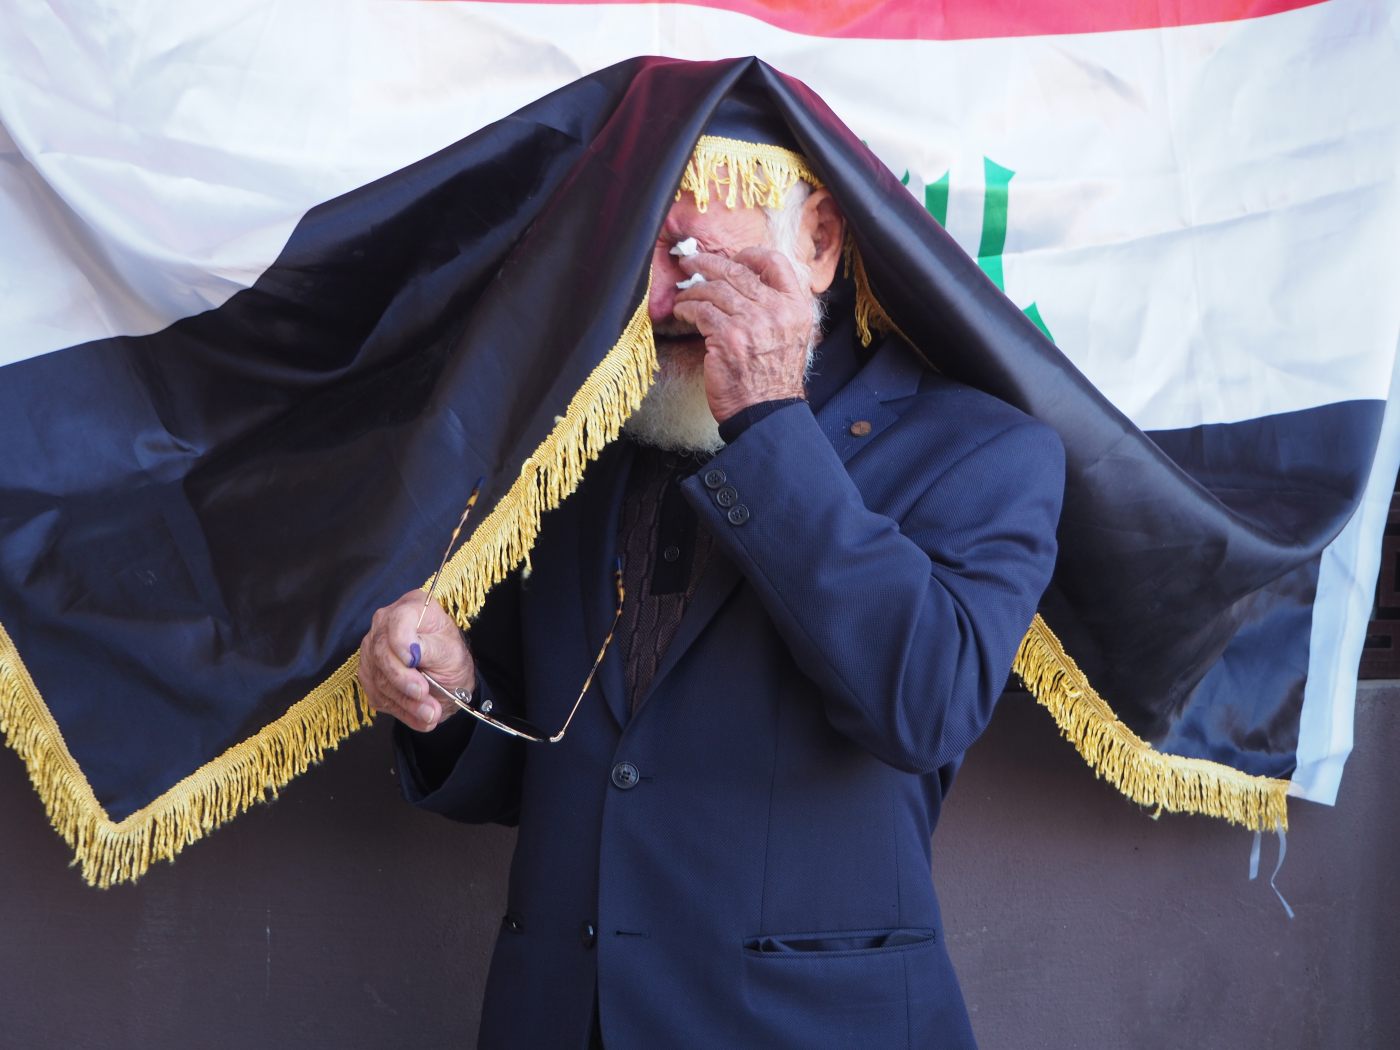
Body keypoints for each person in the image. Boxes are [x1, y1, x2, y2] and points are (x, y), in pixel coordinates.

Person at [358, 117, 1065, 1047]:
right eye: (644, 250)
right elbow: (558, 772)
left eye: (694, 251)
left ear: (818, 241)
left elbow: (924, 703)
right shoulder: (578, 446)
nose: (665, 294)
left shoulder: (982, 450)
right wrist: (453, 697)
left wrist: (768, 421)